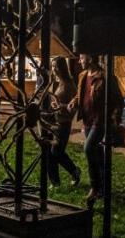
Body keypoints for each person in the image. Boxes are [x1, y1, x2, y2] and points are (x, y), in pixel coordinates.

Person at [68, 54, 123, 203]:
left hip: (100, 121)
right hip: (87, 120)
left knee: (88, 148)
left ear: (90, 58)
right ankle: (104, 188)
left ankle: (95, 186)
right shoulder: (82, 75)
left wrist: (115, 120)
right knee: (97, 154)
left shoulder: (105, 77)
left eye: (82, 58)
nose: (79, 61)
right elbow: (80, 94)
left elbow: (118, 100)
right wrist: (74, 102)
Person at [48, 57, 81, 188]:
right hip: (54, 121)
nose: (54, 69)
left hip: (64, 123)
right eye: (52, 66)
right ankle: (55, 182)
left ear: (62, 67)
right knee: (52, 152)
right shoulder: (58, 83)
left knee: (56, 152)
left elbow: (73, 107)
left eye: (56, 66)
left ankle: (73, 171)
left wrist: (59, 106)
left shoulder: (69, 84)